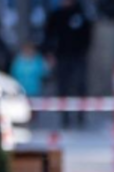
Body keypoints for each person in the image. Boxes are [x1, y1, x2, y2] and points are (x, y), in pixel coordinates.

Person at [42, 0, 94, 128]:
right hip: (62, 56)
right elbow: (49, 34)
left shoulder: (81, 14)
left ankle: (81, 115)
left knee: (80, 85)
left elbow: (87, 34)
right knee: (63, 86)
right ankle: (65, 116)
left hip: (78, 56)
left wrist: (83, 51)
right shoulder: (56, 15)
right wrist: (49, 52)